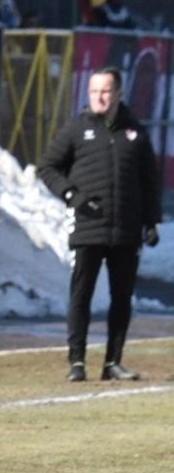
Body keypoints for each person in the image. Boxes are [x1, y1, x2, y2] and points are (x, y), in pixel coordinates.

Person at [37, 66, 160, 382]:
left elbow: (150, 182)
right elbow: (48, 167)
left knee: (122, 298)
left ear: (119, 93)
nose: (99, 97)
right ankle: (76, 362)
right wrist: (72, 196)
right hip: (88, 228)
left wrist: (151, 222)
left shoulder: (136, 132)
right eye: (94, 91)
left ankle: (112, 362)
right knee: (82, 295)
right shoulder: (77, 129)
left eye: (105, 91)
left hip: (126, 231)